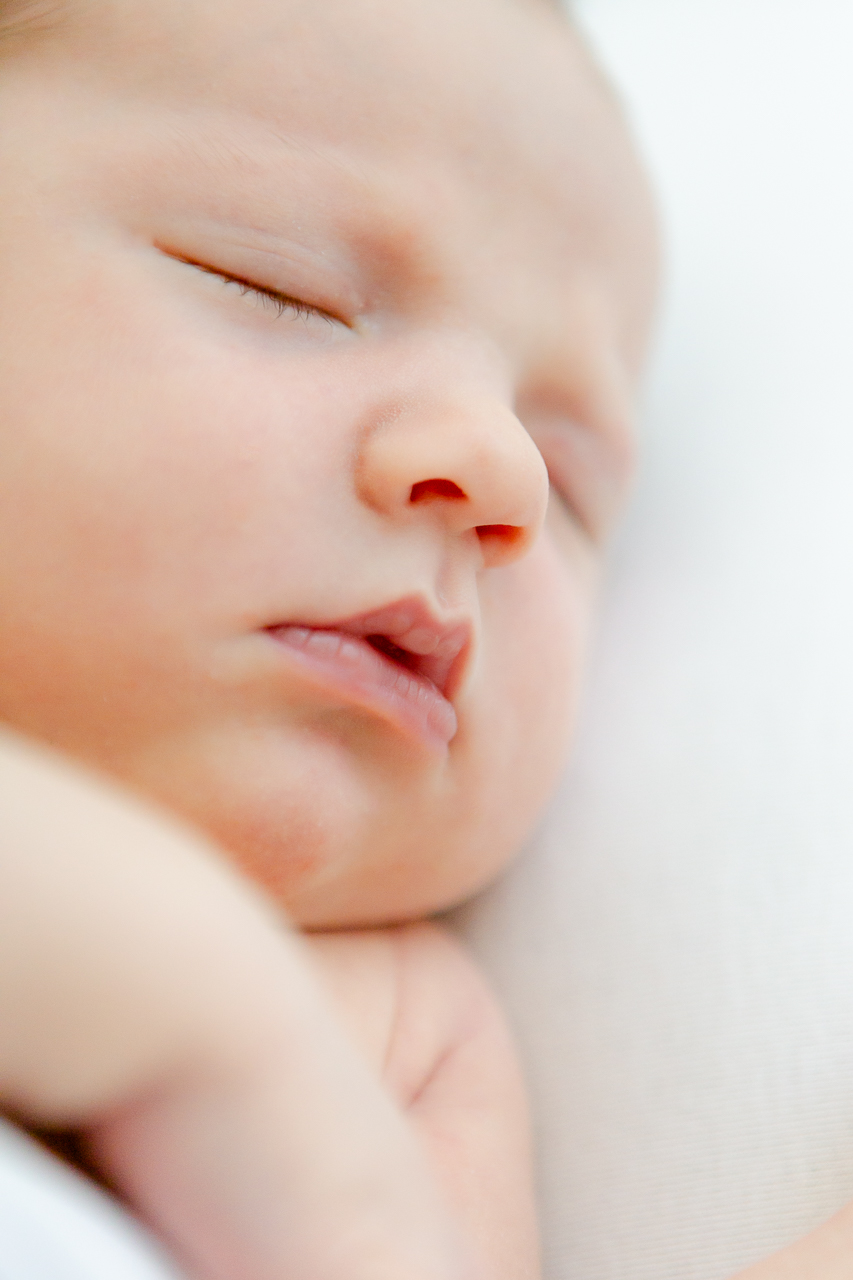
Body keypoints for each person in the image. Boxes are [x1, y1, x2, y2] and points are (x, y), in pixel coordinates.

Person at [0, 0, 659, 1276]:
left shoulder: (410, 1047)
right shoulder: (286, 1045)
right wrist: (204, 1016)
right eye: (278, 285)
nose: (498, 469)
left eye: (571, 478)